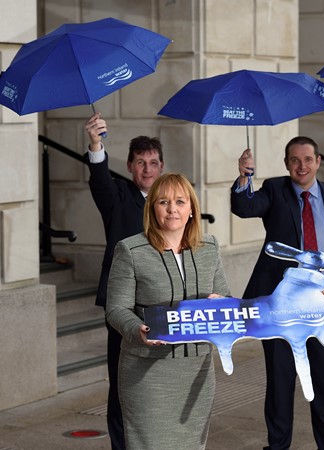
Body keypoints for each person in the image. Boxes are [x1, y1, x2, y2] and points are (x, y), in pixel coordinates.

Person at [231, 136, 324, 450]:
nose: (301, 166)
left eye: (307, 159)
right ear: (287, 164)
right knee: (280, 382)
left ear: (318, 162)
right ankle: (278, 446)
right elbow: (245, 207)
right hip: (282, 308)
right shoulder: (275, 191)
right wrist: (244, 178)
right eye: (294, 160)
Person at [106, 173, 230, 449]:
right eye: (163, 201)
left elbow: (226, 299)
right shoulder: (130, 250)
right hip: (148, 372)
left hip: (197, 371)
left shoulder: (209, 248)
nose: (172, 208)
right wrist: (135, 329)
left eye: (180, 201)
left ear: (191, 209)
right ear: (152, 208)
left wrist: (219, 304)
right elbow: (116, 308)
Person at [85, 112, 164, 450]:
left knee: (159, 382)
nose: (147, 169)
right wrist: (96, 144)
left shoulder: (171, 201)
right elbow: (100, 181)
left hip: (164, 303)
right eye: (140, 163)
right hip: (125, 306)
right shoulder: (117, 197)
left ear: (161, 167)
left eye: (153, 162)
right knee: (122, 383)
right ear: (131, 167)